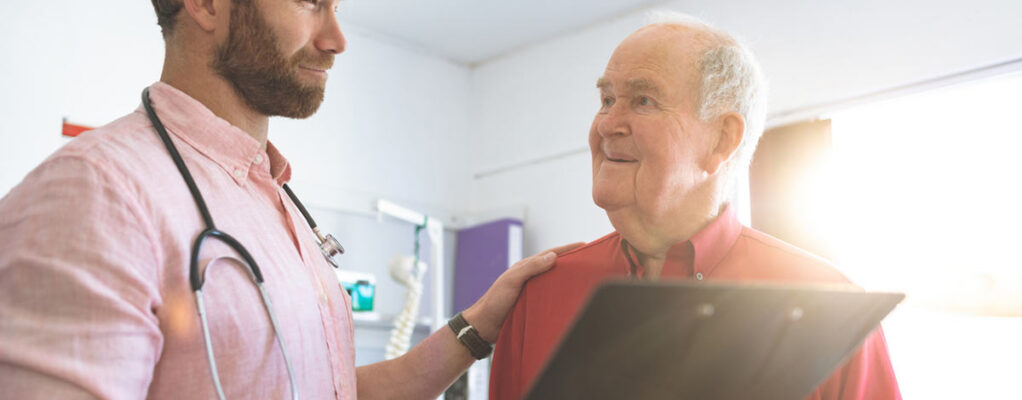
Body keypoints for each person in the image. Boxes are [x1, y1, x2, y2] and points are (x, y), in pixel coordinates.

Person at [0, 0, 582, 398]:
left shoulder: (272, 200)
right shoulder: (93, 194)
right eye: (309, 2)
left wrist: (478, 326)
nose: (336, 39)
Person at [489, 12, 901, 400]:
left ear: (722, 138)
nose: (607, 124)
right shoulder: (537, 296)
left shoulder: (829, 304)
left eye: (643, 100)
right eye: (607, 99)